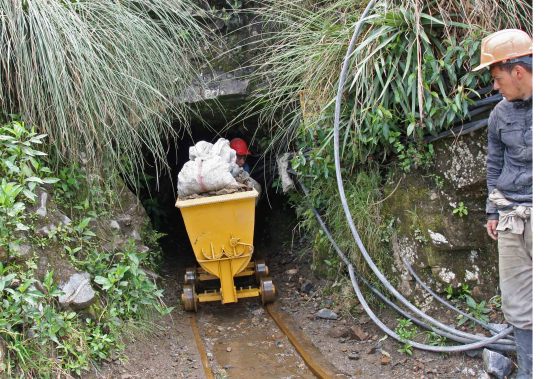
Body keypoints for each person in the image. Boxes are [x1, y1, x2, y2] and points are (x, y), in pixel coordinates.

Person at [472, 29, 532, 378]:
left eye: (497, 79)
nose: (496, 87)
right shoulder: (499, 115)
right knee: (519, 305)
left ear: (518, 71)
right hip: (511, 218)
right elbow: (494, 165)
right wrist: (493, 210)